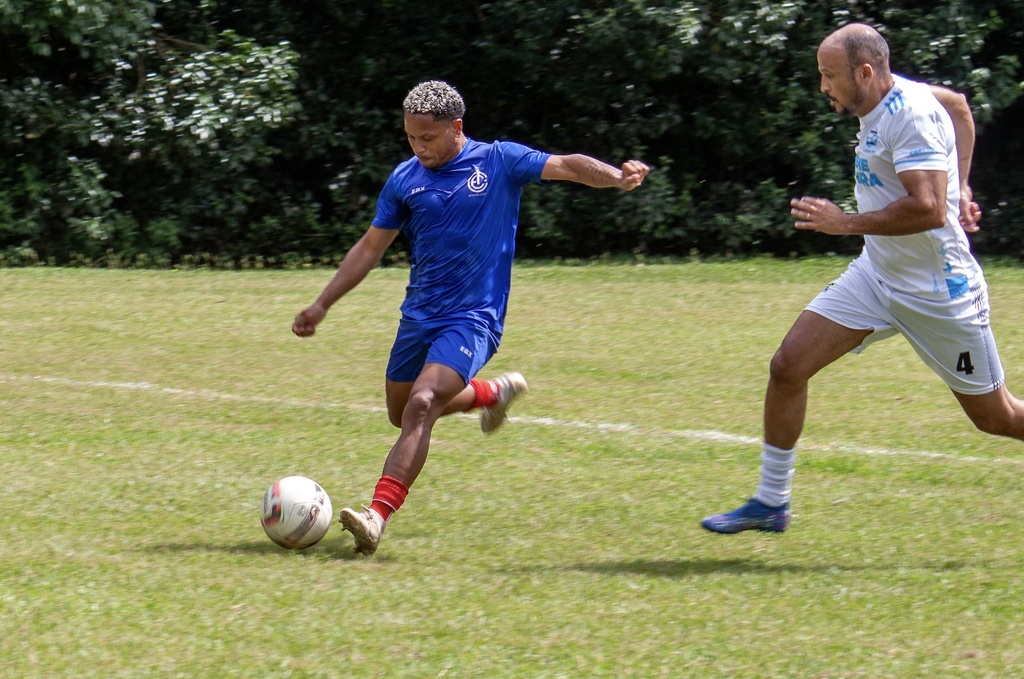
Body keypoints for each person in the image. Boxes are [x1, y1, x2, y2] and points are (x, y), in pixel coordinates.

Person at [293, 80, 650, 555]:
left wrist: (617, 177)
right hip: (418, 317)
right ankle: (492, 393)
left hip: (473, 318)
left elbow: (567, 165)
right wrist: (323, 303)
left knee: (422, 404)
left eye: (428, 138)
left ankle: (376, 516)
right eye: (411, 138)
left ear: (455, 128)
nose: (419, 148)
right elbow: (370, 247)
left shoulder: (499, 160)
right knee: (401, 413)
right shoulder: (405, 179)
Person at [701, 23, 1024, 534]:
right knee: (787, 366)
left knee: (998, 418)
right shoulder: (905, 95)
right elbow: (960, 106)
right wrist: (963, 184)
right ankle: (770, 503)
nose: (823, 86)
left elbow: (928, 210)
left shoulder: (911, 117)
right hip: (878, 275)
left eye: (829, 76)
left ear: (865, 72)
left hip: (940, 294)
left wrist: (844, 222)